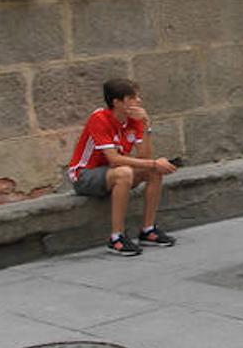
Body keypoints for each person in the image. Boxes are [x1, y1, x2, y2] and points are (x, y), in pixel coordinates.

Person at [67, 78, 177, 256]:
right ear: (117, 102)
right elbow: (114, 159)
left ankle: (148, 230)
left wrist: (147, 126)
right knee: (125, 172)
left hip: (111, 174)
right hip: (84, 176)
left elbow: (144, 156)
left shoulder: (134, 121)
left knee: (154, 171)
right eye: (132, 98)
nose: (138, 101)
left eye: (137, 97)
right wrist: (153, 163)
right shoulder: (99, 118)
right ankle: (116, 237)